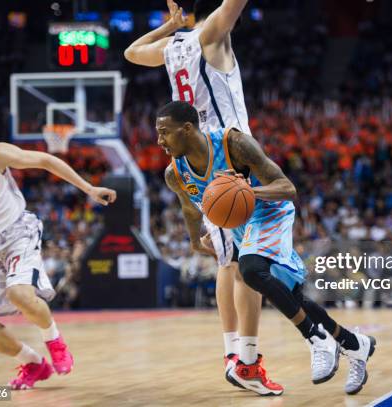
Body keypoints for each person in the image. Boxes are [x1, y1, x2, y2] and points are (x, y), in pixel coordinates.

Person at [156, 101, 376, 395]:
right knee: (292, 295)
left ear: (186, 129)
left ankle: (316, 338)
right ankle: (354, 344)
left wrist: (246, 190)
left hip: (272, 211)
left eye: (164, 132)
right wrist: (196, 239)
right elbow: (190, 209)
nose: (159, 141)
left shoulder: (234, 143)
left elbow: (288, 188)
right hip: (241, 226)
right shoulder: (175, 174)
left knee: (250, 269)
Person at [124, 0, 278, 394]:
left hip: (201, 161)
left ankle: (234, 355)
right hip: (227, 153)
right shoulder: (211, 34)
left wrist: (169, 26)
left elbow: (130, 52)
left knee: (230, 262)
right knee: (243, 263)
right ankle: (245, 360)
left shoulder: (172, 48)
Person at [0, 99, 116, 390]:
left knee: (21, 294)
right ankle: (34, 363)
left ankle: (55, 340)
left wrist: (89, 188)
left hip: (15, 233)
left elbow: (46, 161)